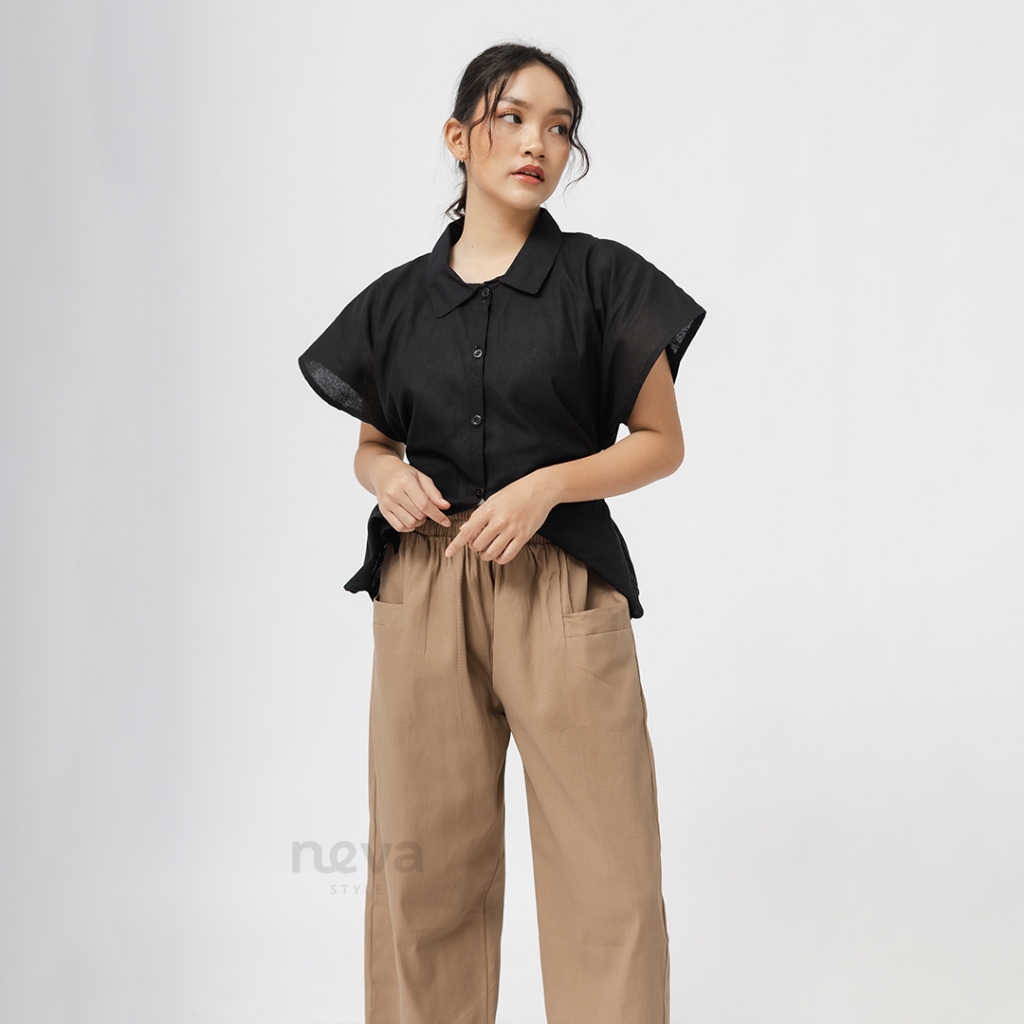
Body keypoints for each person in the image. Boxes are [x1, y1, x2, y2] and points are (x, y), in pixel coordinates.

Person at [298, 41, 707, 1024]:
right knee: (423, 874)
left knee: (609, 878)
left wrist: (548, 487)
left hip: (562, 588)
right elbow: (372, 445)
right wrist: (385, 477)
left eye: (560, 128)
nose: (538, 143)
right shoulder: (397, 303)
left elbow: (661, 444)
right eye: (513, 117)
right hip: (422, 589)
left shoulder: (604, 280)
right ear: (458, 136)